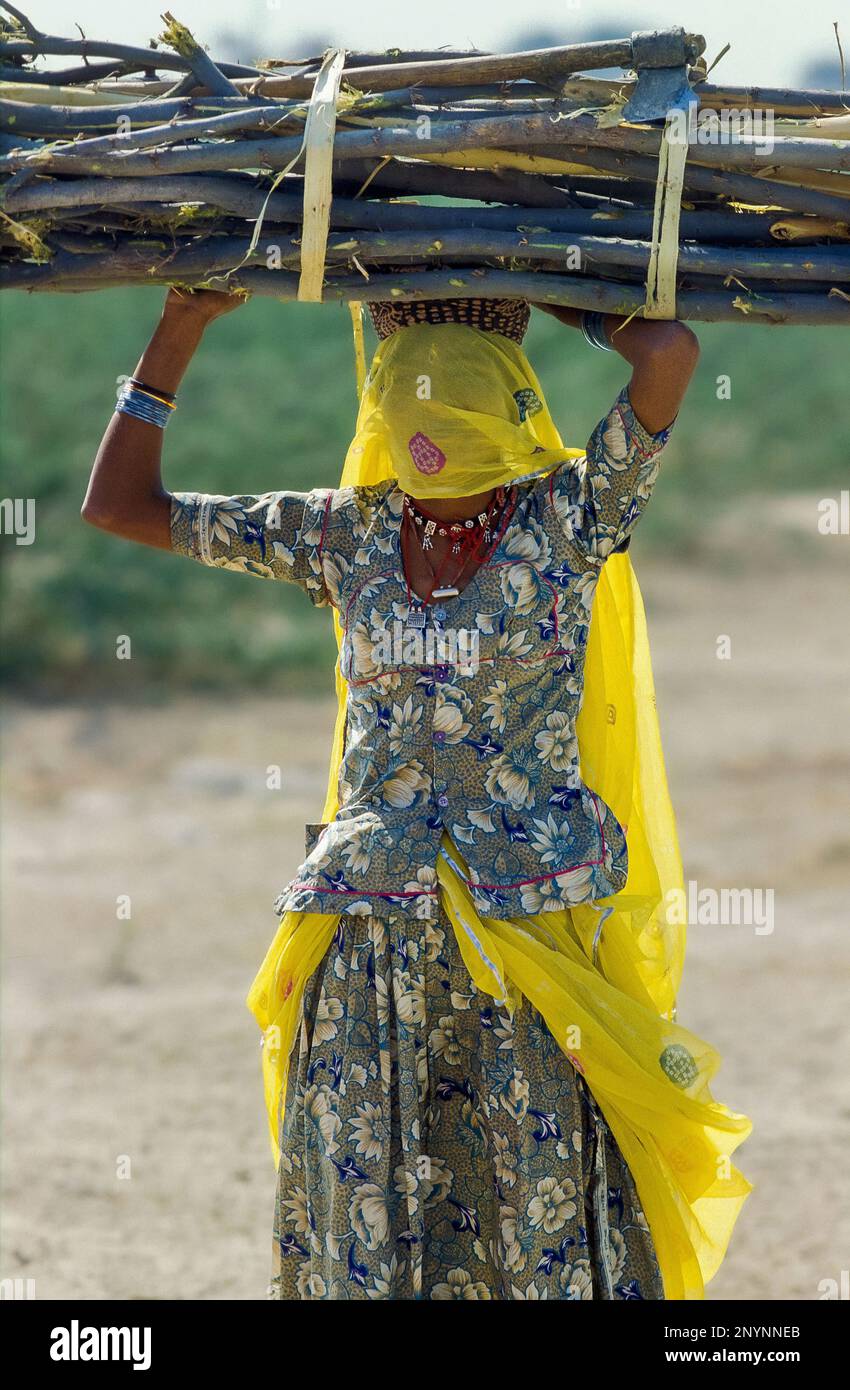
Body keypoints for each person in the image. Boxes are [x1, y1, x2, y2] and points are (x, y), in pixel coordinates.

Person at [82, 288, 751, 1301]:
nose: (430, 437)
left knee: (538, 1200)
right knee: (368, 1187)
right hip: (367, 943)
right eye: (412, 408)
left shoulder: (569, 519)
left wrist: (568, 292)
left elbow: (668, 352)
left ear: (501, 409)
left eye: (454, 409)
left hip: (519, 944)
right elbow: (119, 508)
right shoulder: (345, 534)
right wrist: (180, 328)